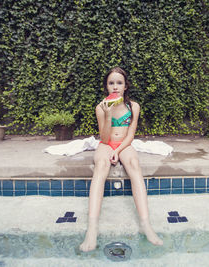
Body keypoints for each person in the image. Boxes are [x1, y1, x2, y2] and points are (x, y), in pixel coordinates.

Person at [79, 67, 163, 252]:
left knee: (134, 164)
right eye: (111, 83)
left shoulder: (133, 106)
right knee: (101, 165)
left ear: (126, 86)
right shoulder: (101, 107)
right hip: (106, 143)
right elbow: (104, 137)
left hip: (124, 144)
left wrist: (119, 151)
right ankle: (92, 229)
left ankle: (146, 224)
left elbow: (131, 135)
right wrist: (108, 114)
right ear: (106, 87)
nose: (115, 87)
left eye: (119, 83)